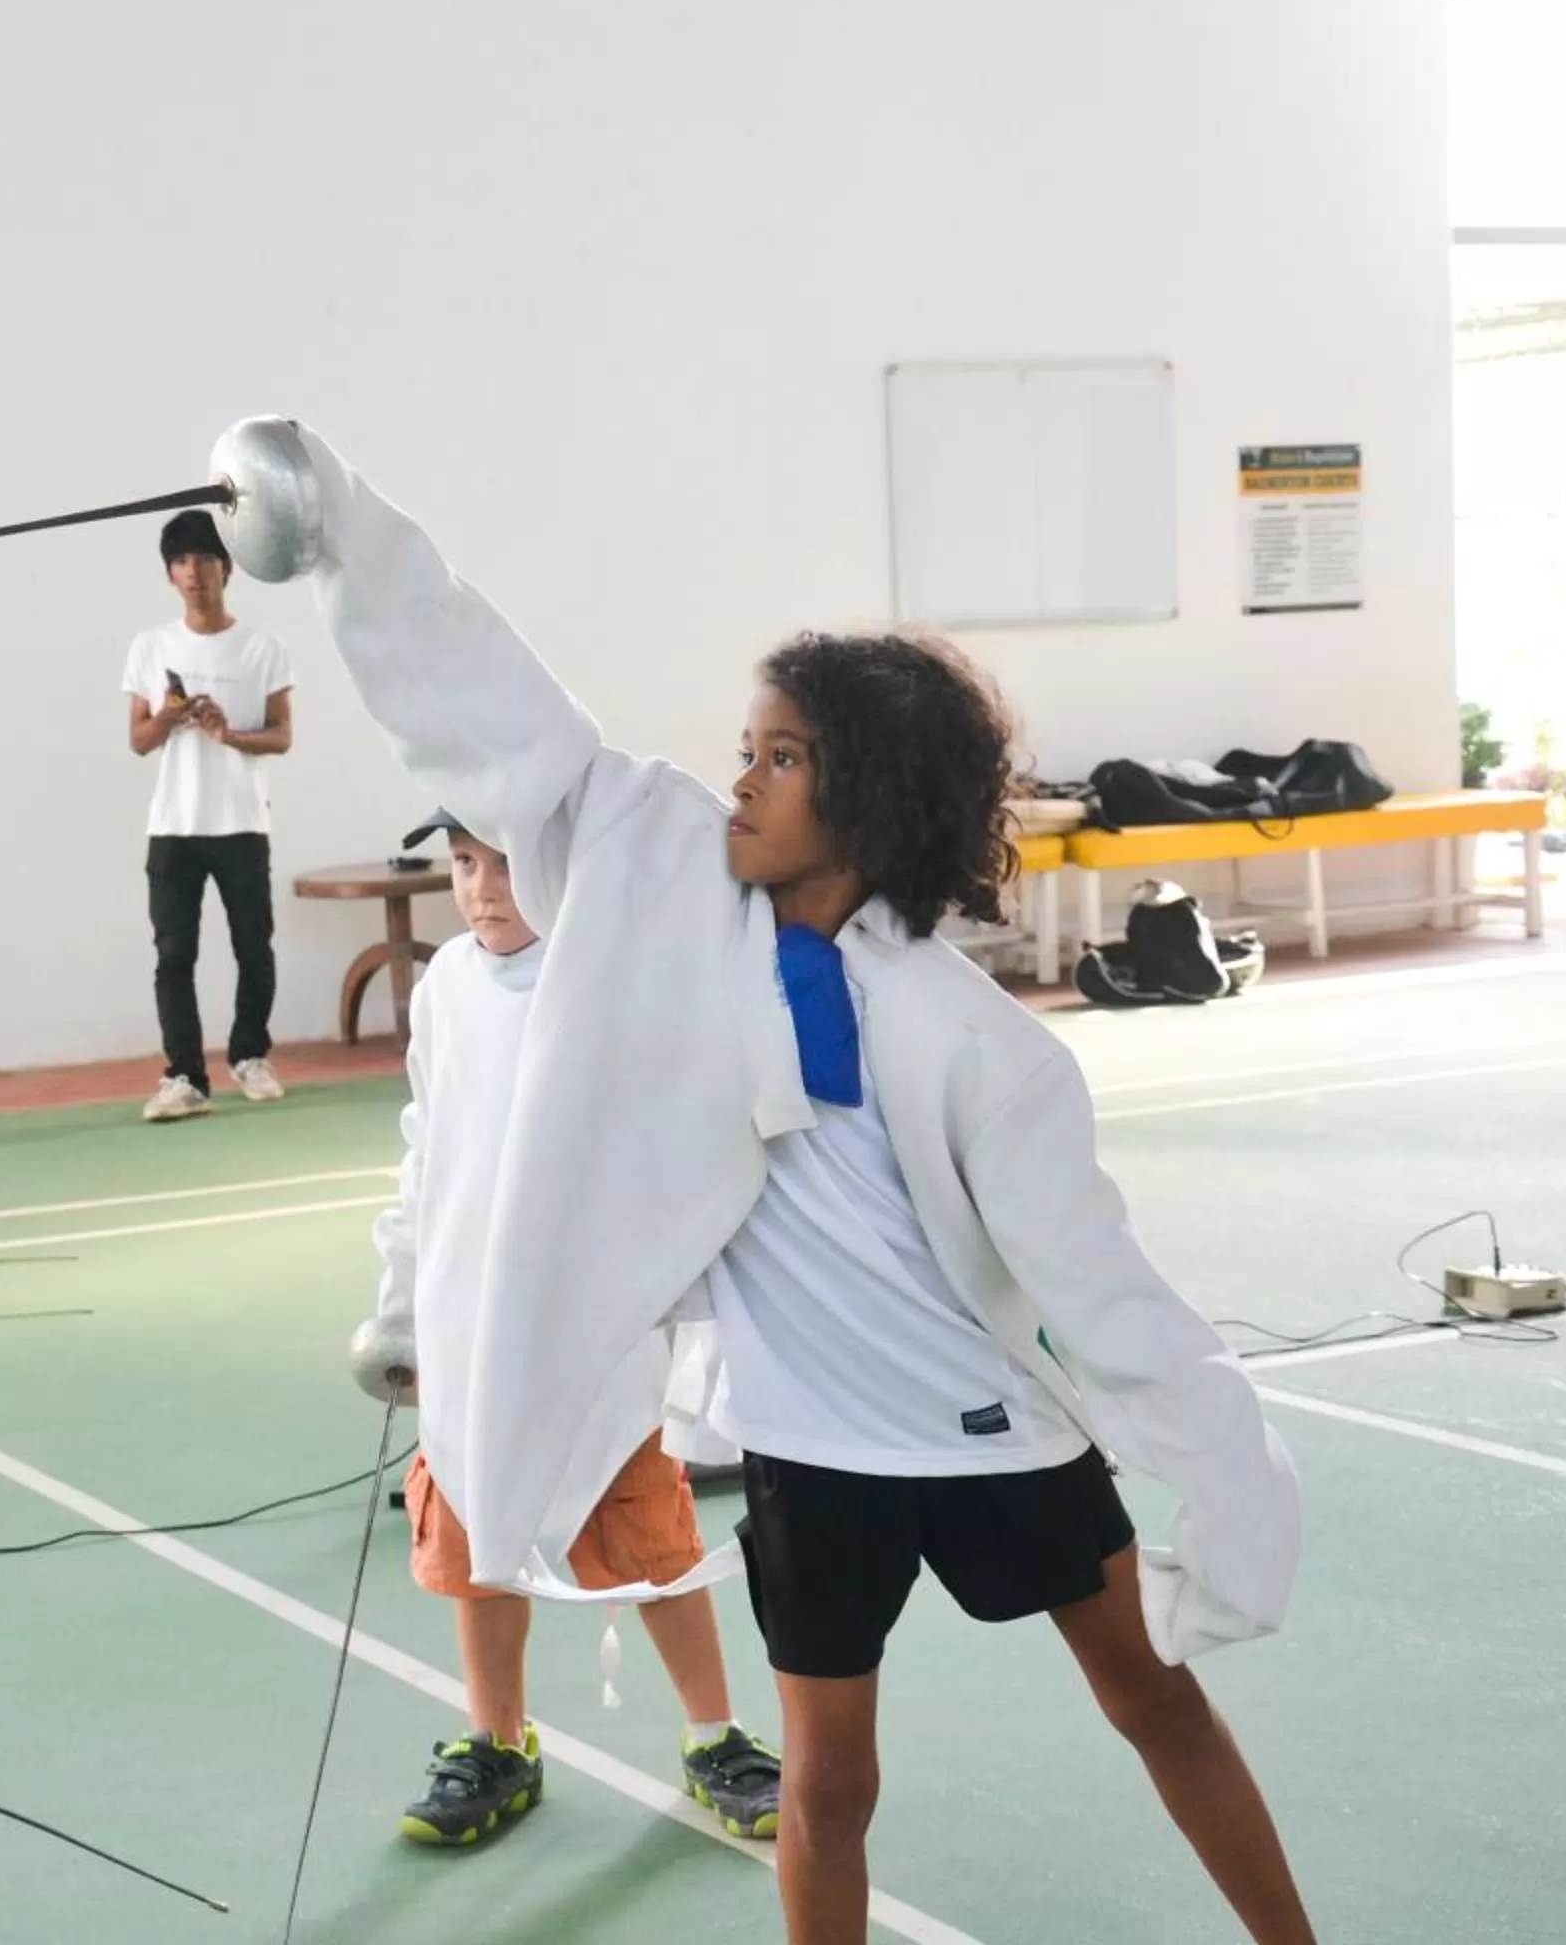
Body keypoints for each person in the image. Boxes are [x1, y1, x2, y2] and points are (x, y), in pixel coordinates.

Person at [232, 418, 1314, 1944]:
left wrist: (1225, 1478)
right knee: (827, 1786)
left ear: (871, 799)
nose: (739, 782)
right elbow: (507, 723)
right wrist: (337, 517)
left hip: (994, 1434)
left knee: (1153, 1698)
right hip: (815, 1451)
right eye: (745, 751)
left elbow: (1107, 1294)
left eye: (782, 759)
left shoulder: (983, 1048)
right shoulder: (679, 906)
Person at [357, 809, 781, 1849]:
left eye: (505, 864)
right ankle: (497, 1737)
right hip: (471, 1324)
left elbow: (671, 1145)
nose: (483, 887)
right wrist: (404, 1303)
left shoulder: (606, 981)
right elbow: (428, 1145)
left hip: (597, 1329)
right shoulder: (450, 982)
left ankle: (713, 1734)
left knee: (645, 1535)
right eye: (464, 863)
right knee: (475, 1537)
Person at [122, 509, 293, 1121]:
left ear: (229, 567)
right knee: (173, 955)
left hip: (241, 821)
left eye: (205, 559)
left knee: (254, 946)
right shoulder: (151, 647)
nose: (195, 573)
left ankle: (250, 1055)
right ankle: (185, 1076)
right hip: (173, 827)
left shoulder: (262, 649)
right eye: (182, 562)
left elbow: (281, 736)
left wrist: (228, 732)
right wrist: (173, 716)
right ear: (170, 574)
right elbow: (140, 739)